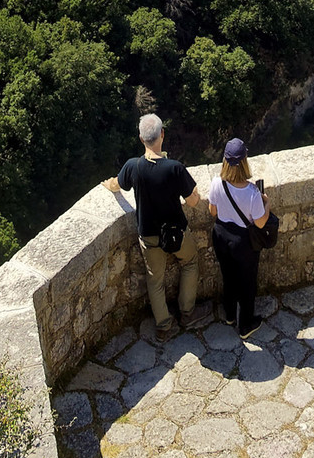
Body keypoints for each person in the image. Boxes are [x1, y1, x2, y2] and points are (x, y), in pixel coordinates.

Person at [107, 112, 202, 340]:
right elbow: (193, 200)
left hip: (149, 235)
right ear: (162, 135)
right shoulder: (174, 168)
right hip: (176, 233)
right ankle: (187, 313)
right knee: (190, 262)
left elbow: (116, 185)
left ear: (141, 139)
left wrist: (107, 184)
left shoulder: (133, 166)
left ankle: (163, 326)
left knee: (155, 279)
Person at [208, 137, 270, 338]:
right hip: (243, 242)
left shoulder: (217, 183)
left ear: (224, 161)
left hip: (221, 236)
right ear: (245, 161)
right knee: (247, 283)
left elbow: (212, 211)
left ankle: (229, 315)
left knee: (228, 276)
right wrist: (266, 204)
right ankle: (246, 325)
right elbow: (260, 223)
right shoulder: (252, 193)